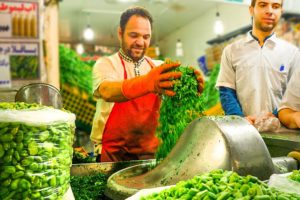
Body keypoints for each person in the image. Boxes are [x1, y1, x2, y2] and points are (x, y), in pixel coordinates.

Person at [91, 6, 204, 162]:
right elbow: (107, 91)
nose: (140, 42)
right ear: (120, 33)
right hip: (113, 155)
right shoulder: (106, 64)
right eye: (133, 35)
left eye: (146, 37)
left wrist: (190, 88)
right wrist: (148, 82)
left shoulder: (159, 67)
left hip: (151, 156)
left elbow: (176, 104)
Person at [216, 0, 300, 125]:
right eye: (263, 5)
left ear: (281, 12)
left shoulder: (292, 53)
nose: (270, 11)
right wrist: (240, 120)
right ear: (251, 10)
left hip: (281, 132)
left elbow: (294, 96)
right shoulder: (231, 51)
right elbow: (226, 91)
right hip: (244, 133)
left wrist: (276, 114)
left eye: (275, 6)